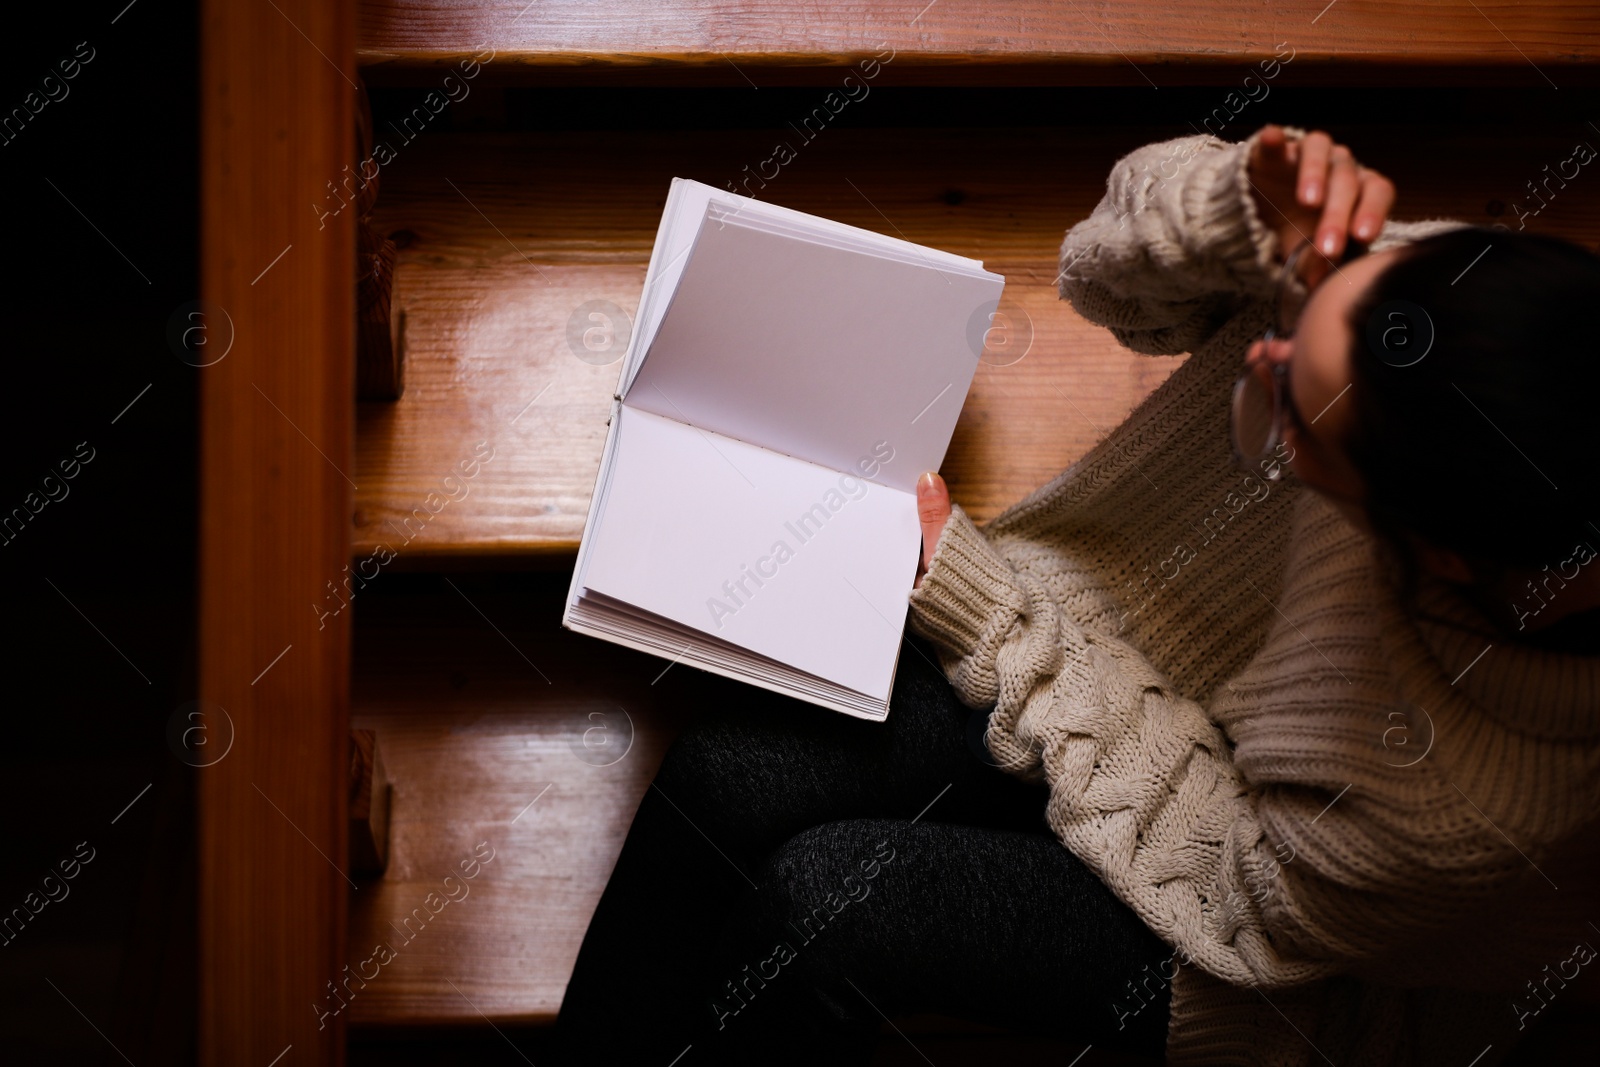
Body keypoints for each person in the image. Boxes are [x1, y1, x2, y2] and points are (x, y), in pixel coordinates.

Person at [548, 123, 1600, 1066]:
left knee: (828, 905)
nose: (1265, 352)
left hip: (1252, 934)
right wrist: (1232, 207)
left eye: (1290, 412)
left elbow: (1235, 887)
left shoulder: (1471, 805)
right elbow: (1099, 275)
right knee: (724, 772)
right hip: (1114, 649)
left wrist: (986, 614)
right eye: (1311, 306)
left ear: (1438, 556)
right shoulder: (1444, 328)